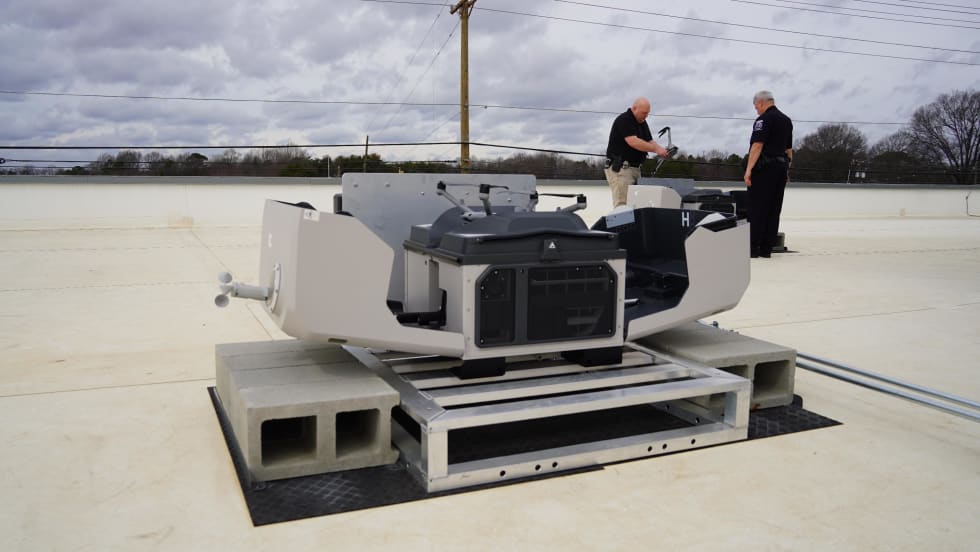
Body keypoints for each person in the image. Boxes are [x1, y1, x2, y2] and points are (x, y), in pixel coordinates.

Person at [743, 90, 793, 258]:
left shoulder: (763, 120)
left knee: (757, 208)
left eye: (756, 106)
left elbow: (757, 146)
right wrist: (787, 170)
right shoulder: (786, 121)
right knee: (774, 208)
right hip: (780, 169)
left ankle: (753, 248)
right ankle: (767, 249)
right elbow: (789, 150)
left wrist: (749, 170)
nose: (756, 110)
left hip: (765, 169)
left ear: (762, 102)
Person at [605, 97, 670, 207]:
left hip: (635, 168)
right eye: (644, 113)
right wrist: (655, 149)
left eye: (648, 113)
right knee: (623, 205)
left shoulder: (642, 122)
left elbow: (650, 141)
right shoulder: (624, 120)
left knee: (636, 204)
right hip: (621, 169)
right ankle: (622, 225)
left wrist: (662, 150)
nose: (646, 116)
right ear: (634, 108)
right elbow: (633, 141)